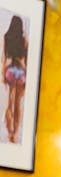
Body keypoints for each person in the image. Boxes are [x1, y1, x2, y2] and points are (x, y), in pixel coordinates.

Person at [2, 15, 27, 144]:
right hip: (21, 72)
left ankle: (10, 130)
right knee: (17, 104)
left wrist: (3, 75)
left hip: (10, 71)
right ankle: (15, 133)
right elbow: (25, 63)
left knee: (9, 103)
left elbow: (4, 60)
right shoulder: (24, 40)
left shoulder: (6, 37)